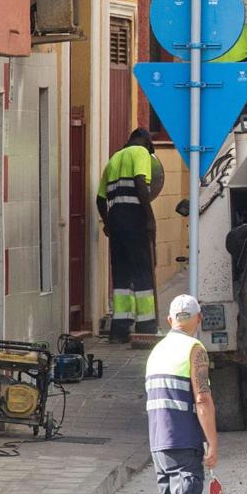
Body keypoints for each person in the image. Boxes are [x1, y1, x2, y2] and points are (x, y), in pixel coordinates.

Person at [146, 294, 219, 494]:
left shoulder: (157, 351)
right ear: (199, 319)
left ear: (170, 320)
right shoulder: (194, 349)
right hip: (184, 437)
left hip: (159, 441)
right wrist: (212, 443)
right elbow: (202, 398)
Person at [97, 128, 158, 343]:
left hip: (116, 225)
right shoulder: (141, 152)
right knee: (143, 272)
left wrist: (107, 223)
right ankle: (146, 326)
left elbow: (99, 198)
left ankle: (120, 329)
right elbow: (141, 183)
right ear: (147, 143)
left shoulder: (114, 159)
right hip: (135, 221)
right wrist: (150, 218)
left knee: (121, 276)